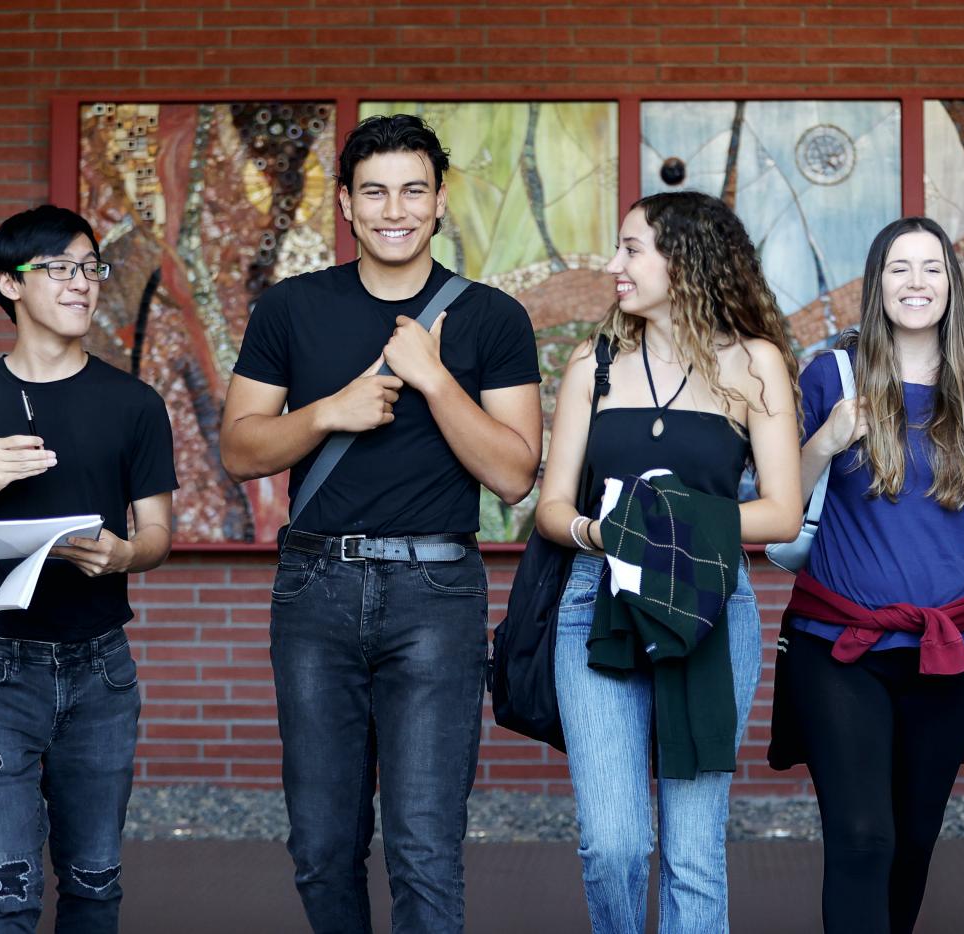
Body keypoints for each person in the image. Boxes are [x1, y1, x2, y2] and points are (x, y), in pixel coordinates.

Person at [219, 114, 543, 933]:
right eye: (374, 191)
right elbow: (241, 448)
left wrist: (433, 381)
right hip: (314, 588)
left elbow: (514, 472)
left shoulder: (492, 318)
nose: (393, 209)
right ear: (345, 204)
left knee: (425, 847)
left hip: (435, 591)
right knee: (323, 845)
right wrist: (329, 412)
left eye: (412, 190)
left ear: (439, 203)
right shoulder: (291, 308)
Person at [533, 190, 801, 933]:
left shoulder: (756, 364)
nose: (615, 265)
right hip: (598, 603)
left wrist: (664, 527)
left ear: (686, 260)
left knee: (693, 852)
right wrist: (601, 533)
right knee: (614, 844)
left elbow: (781, 511)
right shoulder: (595, 363)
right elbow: (552, 507)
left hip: (712, 609)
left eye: (631, 249)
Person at [766, 216, 964, 934]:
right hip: (838, 648)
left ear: (951, 286)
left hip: (950, 650)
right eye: (899, 269)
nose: (915, 283)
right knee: (864, 837)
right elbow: (778, 504)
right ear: (876, 285)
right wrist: (825, 440)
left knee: (913, 841)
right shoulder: (830, 375)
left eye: (931, 269)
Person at [0, 205, 178, 933]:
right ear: (9, 282)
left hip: (101, 672)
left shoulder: (135, 403)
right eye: (59, 268)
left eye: (90, 267)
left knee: (93, 884)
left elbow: (158, 534)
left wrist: (126, 553)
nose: (81, 283)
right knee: (6, 890)